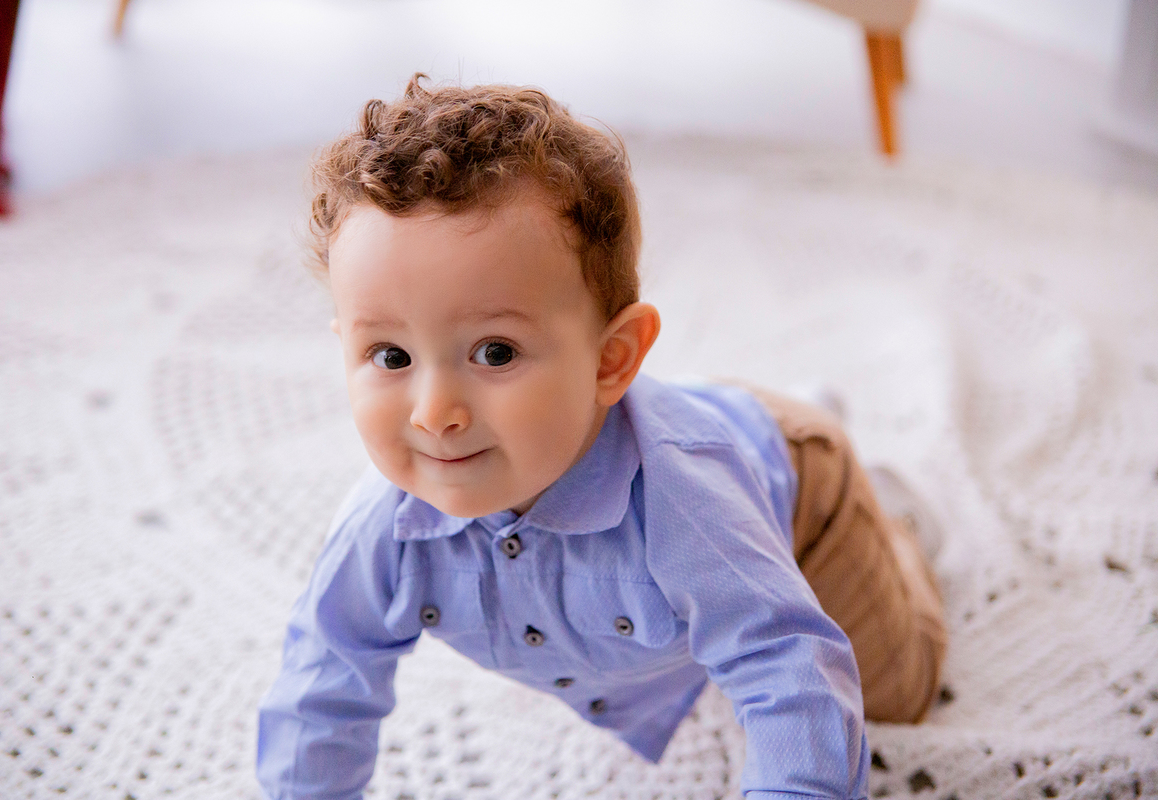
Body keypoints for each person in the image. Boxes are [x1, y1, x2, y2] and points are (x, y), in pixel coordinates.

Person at [256, 76, 947, 800]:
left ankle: (887, 519)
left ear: (612, 359)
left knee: (893, 694)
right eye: (391, 356)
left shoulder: (688, 506)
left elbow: (790, 669)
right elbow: (322, 684)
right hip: (668, 419)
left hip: (800, 493)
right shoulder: (383, 529)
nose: (434, 414)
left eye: (495, 352)